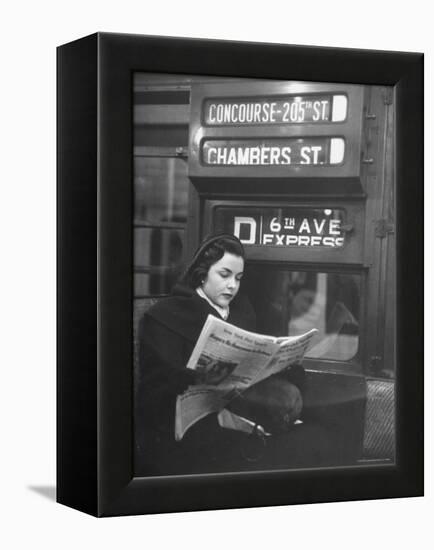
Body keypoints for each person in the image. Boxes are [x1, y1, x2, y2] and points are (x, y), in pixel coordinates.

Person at [135, 233, 335, 476]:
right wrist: (195, 377)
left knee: (319, 440)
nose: (232, 285)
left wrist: (286, 366)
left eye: (238, 278)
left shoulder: (242, 310)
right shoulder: (166, 316)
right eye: (224, 275)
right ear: (201, 273)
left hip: (243, 417)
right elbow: (154, 393)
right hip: (192, 433)